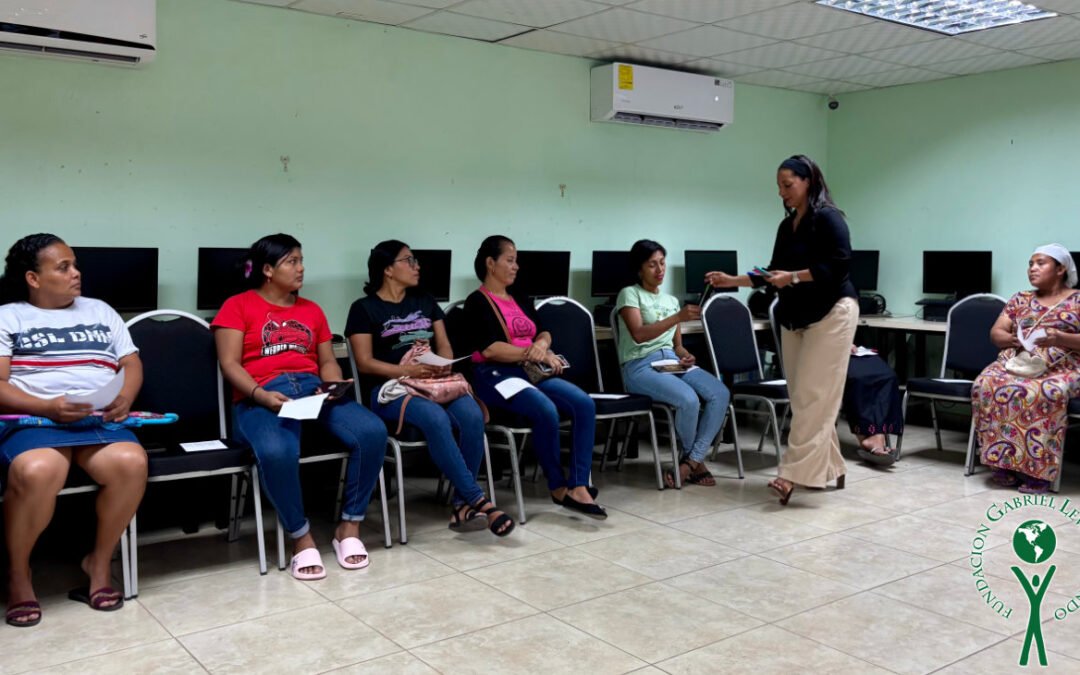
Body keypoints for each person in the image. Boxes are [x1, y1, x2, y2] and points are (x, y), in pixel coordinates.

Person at [212, 234, 387, 580]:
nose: (301, 268)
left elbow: (326, 361)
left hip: (312, 391)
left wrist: (333, 385)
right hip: (259, 396)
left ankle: (349, 528)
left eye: (301, 260)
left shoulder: (312, 310)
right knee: (277, 450)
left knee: (371, 431)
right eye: (291, 261)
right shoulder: (237, 306)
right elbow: (230, 364)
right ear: (267, 269)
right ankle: (300, 536)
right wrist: (261, 395)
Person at [0, 234, 148, 626]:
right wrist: (47, 406)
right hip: (36, 419)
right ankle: (18, 574)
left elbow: (131, 364)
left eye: (75, 264)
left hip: (97, 419)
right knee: (38, 470)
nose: (76, 273)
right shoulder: (8, 316)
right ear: (33, 278)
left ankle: (97, 565)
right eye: (63, 267)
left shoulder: (100, 310)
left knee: (132, 462)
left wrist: (125, 397)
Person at [707, 154, 858, 505]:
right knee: (804, 397)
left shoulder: (829, 219)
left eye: (787, 185)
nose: (782, 193)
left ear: (808, 182)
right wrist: (735, 280)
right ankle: (832, 465)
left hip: (833, 311)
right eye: (779, 187)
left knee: (814, 396)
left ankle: (791, 474)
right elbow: (773, 272)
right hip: (796, 316)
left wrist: (794, 277)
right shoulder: (786, 226)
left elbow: (837, 267)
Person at [346, 240, 513, 537]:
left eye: (415, 260)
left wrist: (445, 363)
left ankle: (462, 505)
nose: (416, 266)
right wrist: (407, 370)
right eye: (408, 261)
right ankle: (479, 500)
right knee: (436, 419)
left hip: (435, 382)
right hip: (393, 388)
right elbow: (364, 363)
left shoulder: (424, 300)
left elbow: (444, 343)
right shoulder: (364, 309)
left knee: (472, 415)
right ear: (387, 269)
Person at [462, 235, 606, 519]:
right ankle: (557, 486)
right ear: (491, 263)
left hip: (530, 371)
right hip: (496, 375)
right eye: (510, 260)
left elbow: (544, 331)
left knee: (584, 404)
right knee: (545, 410)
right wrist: (532, 352)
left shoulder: (520, 296)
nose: (516, 267)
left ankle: (579, 484)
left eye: (517, 261)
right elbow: (490, 349)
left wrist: (541, 345)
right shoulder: (477, 302)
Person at [615, 239, 731, 487]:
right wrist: (677, 317)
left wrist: (685, 354)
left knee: (720, 392)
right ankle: (695, 463)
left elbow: (677, 345)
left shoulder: (670, 301)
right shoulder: (630, 294)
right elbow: (639, 334)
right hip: (640, 366)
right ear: (639, 269)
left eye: (662, 263)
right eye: (652, 265)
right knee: (688, 399)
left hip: (671, 361)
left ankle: (689, 462)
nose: (660, 270)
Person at [972, 244, 1080, 494]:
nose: (1032, 268)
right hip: (1018, 360)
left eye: (1041, 263)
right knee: (985, 384)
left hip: (1064, 366)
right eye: (1030, 264)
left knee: (1043, 391)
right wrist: (1011, 340)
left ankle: (1038, 472)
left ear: (1061, 268)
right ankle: (1001, 462)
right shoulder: (1021, 298)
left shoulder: (1077, 300)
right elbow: (996, 332)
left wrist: (1059, 338)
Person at [844, 347, 903, 465]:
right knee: (858, 378)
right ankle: (868, 438)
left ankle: (877, 436)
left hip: (848, 347)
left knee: (888, 376)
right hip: (824, 347)